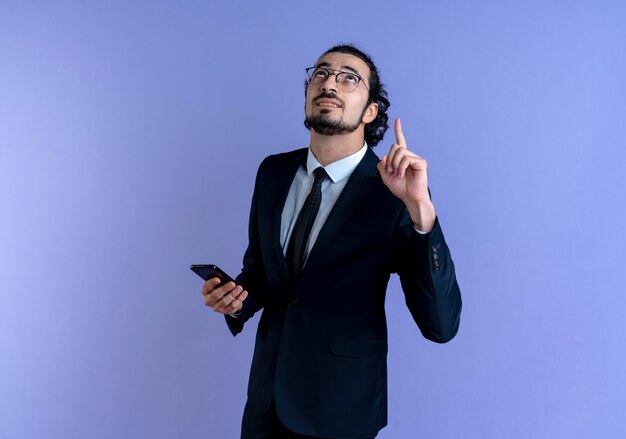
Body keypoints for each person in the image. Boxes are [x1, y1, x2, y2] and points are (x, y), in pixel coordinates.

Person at [201, 44, 462, 439]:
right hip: (266, 403)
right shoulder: (272, 172)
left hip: (342, 408)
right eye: (321, 73)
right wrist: (235, 300)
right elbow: (261, 275)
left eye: (349, 78)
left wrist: (423, 215)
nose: (329, 83)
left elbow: (441, 325)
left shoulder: (395, 193)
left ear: (371, 110)